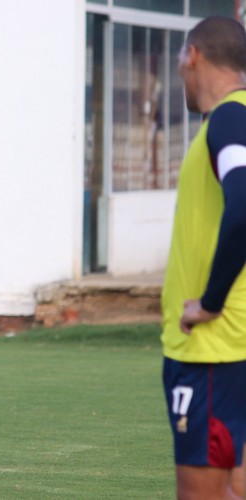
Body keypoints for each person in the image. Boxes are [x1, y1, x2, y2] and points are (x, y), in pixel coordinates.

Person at [161, 16, 246, 500]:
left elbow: (242, 205)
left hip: (214, 351)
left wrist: (210, 302)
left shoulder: (230, 118)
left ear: (192, 55)